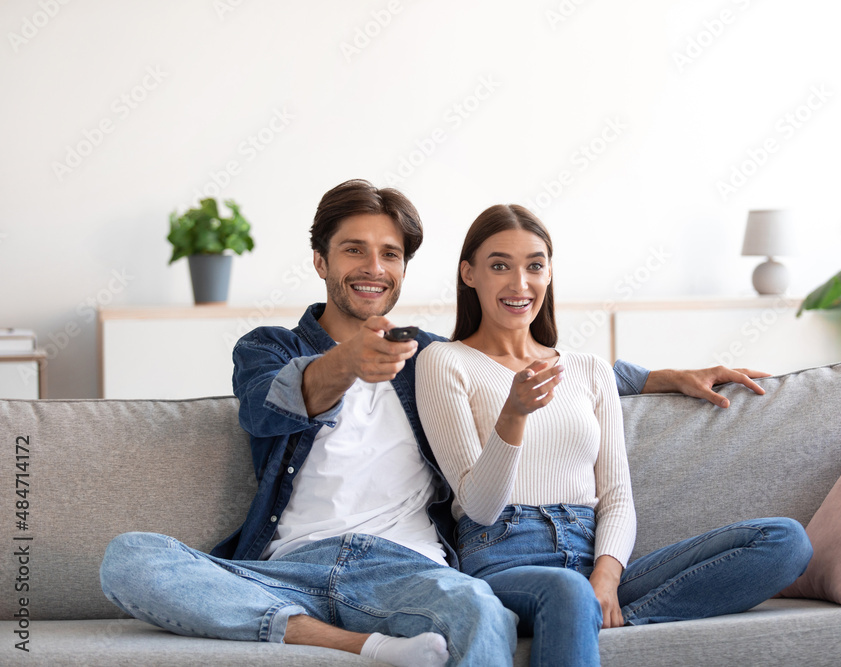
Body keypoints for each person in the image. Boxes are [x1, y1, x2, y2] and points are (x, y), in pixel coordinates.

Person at [99, 179, 770, 667]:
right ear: (320, 261)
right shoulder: (270, 348)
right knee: (128, 557)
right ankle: (349, 642)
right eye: (354, 250)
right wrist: (345, 363)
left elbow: (522, 359)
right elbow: (268, 403)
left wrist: (661, 376)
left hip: (406, 567)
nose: (373, 268)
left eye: (389, 254)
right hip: (288, 565)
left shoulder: (430, 353)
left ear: (403, 268)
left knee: (477, 607)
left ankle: (358, 633)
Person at [414, 204, 813, 667]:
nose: (519, 284)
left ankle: (588, 615)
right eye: (500, 265)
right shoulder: (445, 362)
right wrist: (513, 415)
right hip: (503, 557)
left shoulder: (589, 370)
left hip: (592, 553)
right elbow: (479, 507)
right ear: (469, 274)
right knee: (567, 590)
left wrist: (605, 576)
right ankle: (578, 611)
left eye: (535, 266)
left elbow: (617, 497)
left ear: (549, 274)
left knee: (784, 541)